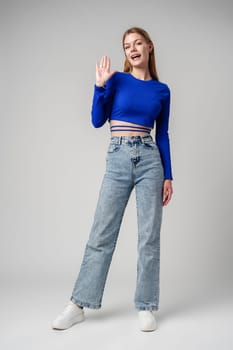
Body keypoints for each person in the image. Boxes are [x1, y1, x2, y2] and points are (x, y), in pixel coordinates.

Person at [52, 26, 173, 332]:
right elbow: (96, 121)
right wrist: (99, 87)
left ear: (149, 47)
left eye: (137, 43)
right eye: (126, 45)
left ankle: (146, 306)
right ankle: (77, 305)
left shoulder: (162, 91)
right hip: (118, 156)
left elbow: (164, 135)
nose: (132, 49)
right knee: (102, 234)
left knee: (149, 237)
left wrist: (168, 176)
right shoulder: (116, 80)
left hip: (149, 160)